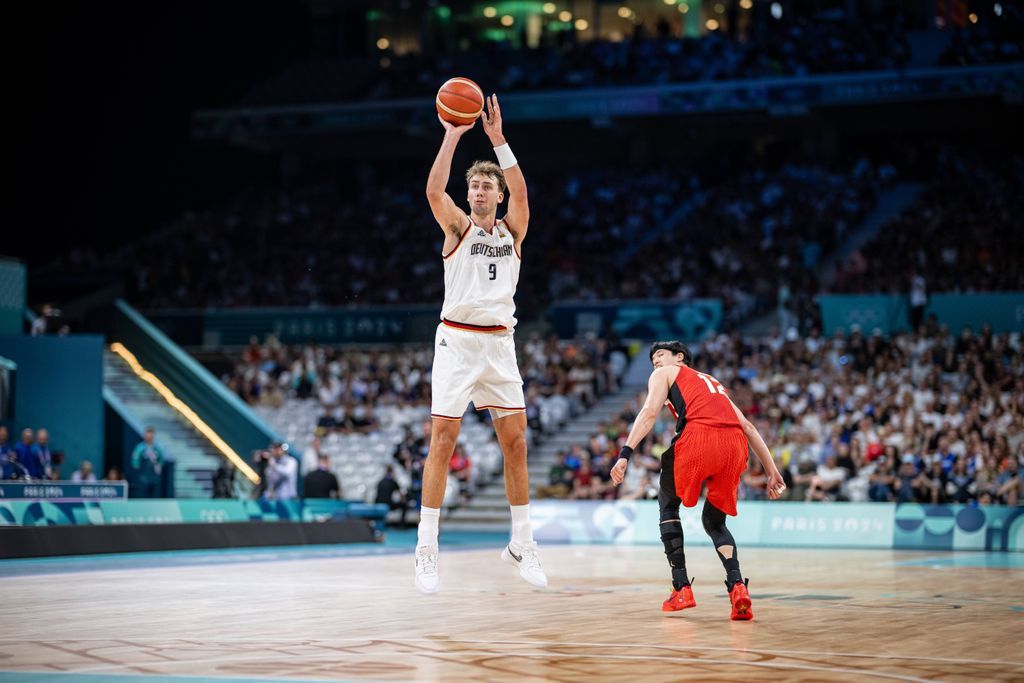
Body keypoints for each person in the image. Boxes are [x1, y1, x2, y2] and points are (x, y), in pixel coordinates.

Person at [415, 92, 546, 593]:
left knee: (516, 444)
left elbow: (523, 193)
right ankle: (427, 548)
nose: (477, 190)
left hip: (499, 346)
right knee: (442, 443)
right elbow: (432, 190)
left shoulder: (514, 230)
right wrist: (451, 135)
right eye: (472, 185)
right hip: (457, 343)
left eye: (485, 185)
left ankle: (522, 542)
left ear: (497, 194)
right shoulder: (458, 227)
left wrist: (498, 141)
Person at [610, 341, 785, 621]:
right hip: (734, 446)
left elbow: (649, 413)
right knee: (715, 522)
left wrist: (625, 454)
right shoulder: (714, 383)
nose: (655, 361)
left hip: (699, 438)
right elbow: (748, 427)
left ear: (679, 358)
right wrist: (772, 470)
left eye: (660, 355)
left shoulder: (667, 373)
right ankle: (738, 587)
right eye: (652, 358)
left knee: (668, 505)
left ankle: (681, 588)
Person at [130, 426, 165, 497]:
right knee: (143, 497)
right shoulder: (140, 448)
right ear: (144, 436)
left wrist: (158, 465)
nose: (149, 437)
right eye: (147, 435)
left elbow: (162, 461)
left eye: (151, 436)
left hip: (155, 478)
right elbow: (135, 463)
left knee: (155, 498)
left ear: (153, 436)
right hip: (143, 478)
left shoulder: (158, 448)